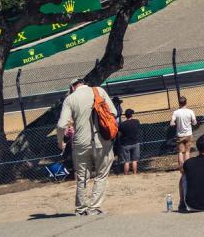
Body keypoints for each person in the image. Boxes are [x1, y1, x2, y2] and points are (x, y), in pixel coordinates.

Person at [57, 78, 117, 216]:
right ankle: (94, 207)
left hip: (80, 143)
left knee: (82, 177)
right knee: (101, 175)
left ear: (72, 87)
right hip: (102, 141)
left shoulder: (70, 99)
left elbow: (61, 125)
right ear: (84, 83)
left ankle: (81, 209)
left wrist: (61, 142)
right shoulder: (99, 91)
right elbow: (113, 112)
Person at [170, 96, 197, 167]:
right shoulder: (190, 111)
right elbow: (194, 122)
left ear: (179, 103)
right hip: (188, 134)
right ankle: (187, 166)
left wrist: (175, 123)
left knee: (180, 152)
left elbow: (171, 123)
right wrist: (191, 122)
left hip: (180, 135)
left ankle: (181, 167)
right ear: (186, 102)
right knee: (187, 151)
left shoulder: (176, 112)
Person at [118, 109, 141, 176]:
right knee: (134, 160)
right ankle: (135, 174)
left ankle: (126, 175)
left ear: (125, 116)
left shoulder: (122, 125)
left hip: (125, 144)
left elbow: (119, 134)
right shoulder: (136, 121)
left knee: (126, 162)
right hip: (135, 142)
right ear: (132, 115)